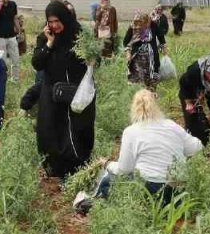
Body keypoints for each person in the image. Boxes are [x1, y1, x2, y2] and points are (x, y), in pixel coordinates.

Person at [73, 89, 202, 213]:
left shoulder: (131, 131)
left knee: (109, 177)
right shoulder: (172, 126)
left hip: (150, 190)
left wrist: (107, 164)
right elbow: (197, 147)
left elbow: (124, 169)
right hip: (177, 192)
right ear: (156, 107)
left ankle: (91, 201)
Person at [32, 0, 96, 178]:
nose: (54, 25)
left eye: (57, 21)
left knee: (78, 128)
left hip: (77, 91)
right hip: (52, 92)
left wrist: (91, 61)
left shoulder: (80, 35)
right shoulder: (45, 37)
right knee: (50, 129)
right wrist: (49, 44)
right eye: (50, 22)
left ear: (64, 19)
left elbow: (93, 57)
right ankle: (56, 169)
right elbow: (37, 64)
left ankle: (78, 166)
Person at [123, 12, 162, 88]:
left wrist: (163, 46)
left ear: (146, 21)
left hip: (151, 57)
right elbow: (125, 42)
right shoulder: (132, 28)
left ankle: (150, 92)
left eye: (141, 22)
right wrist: (128, 53)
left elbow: (160, 36)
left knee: (151, 78)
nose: (138, 26)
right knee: (137, 77)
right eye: (136, 22)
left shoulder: (152, 26)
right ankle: (138, 93)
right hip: (137, 57)